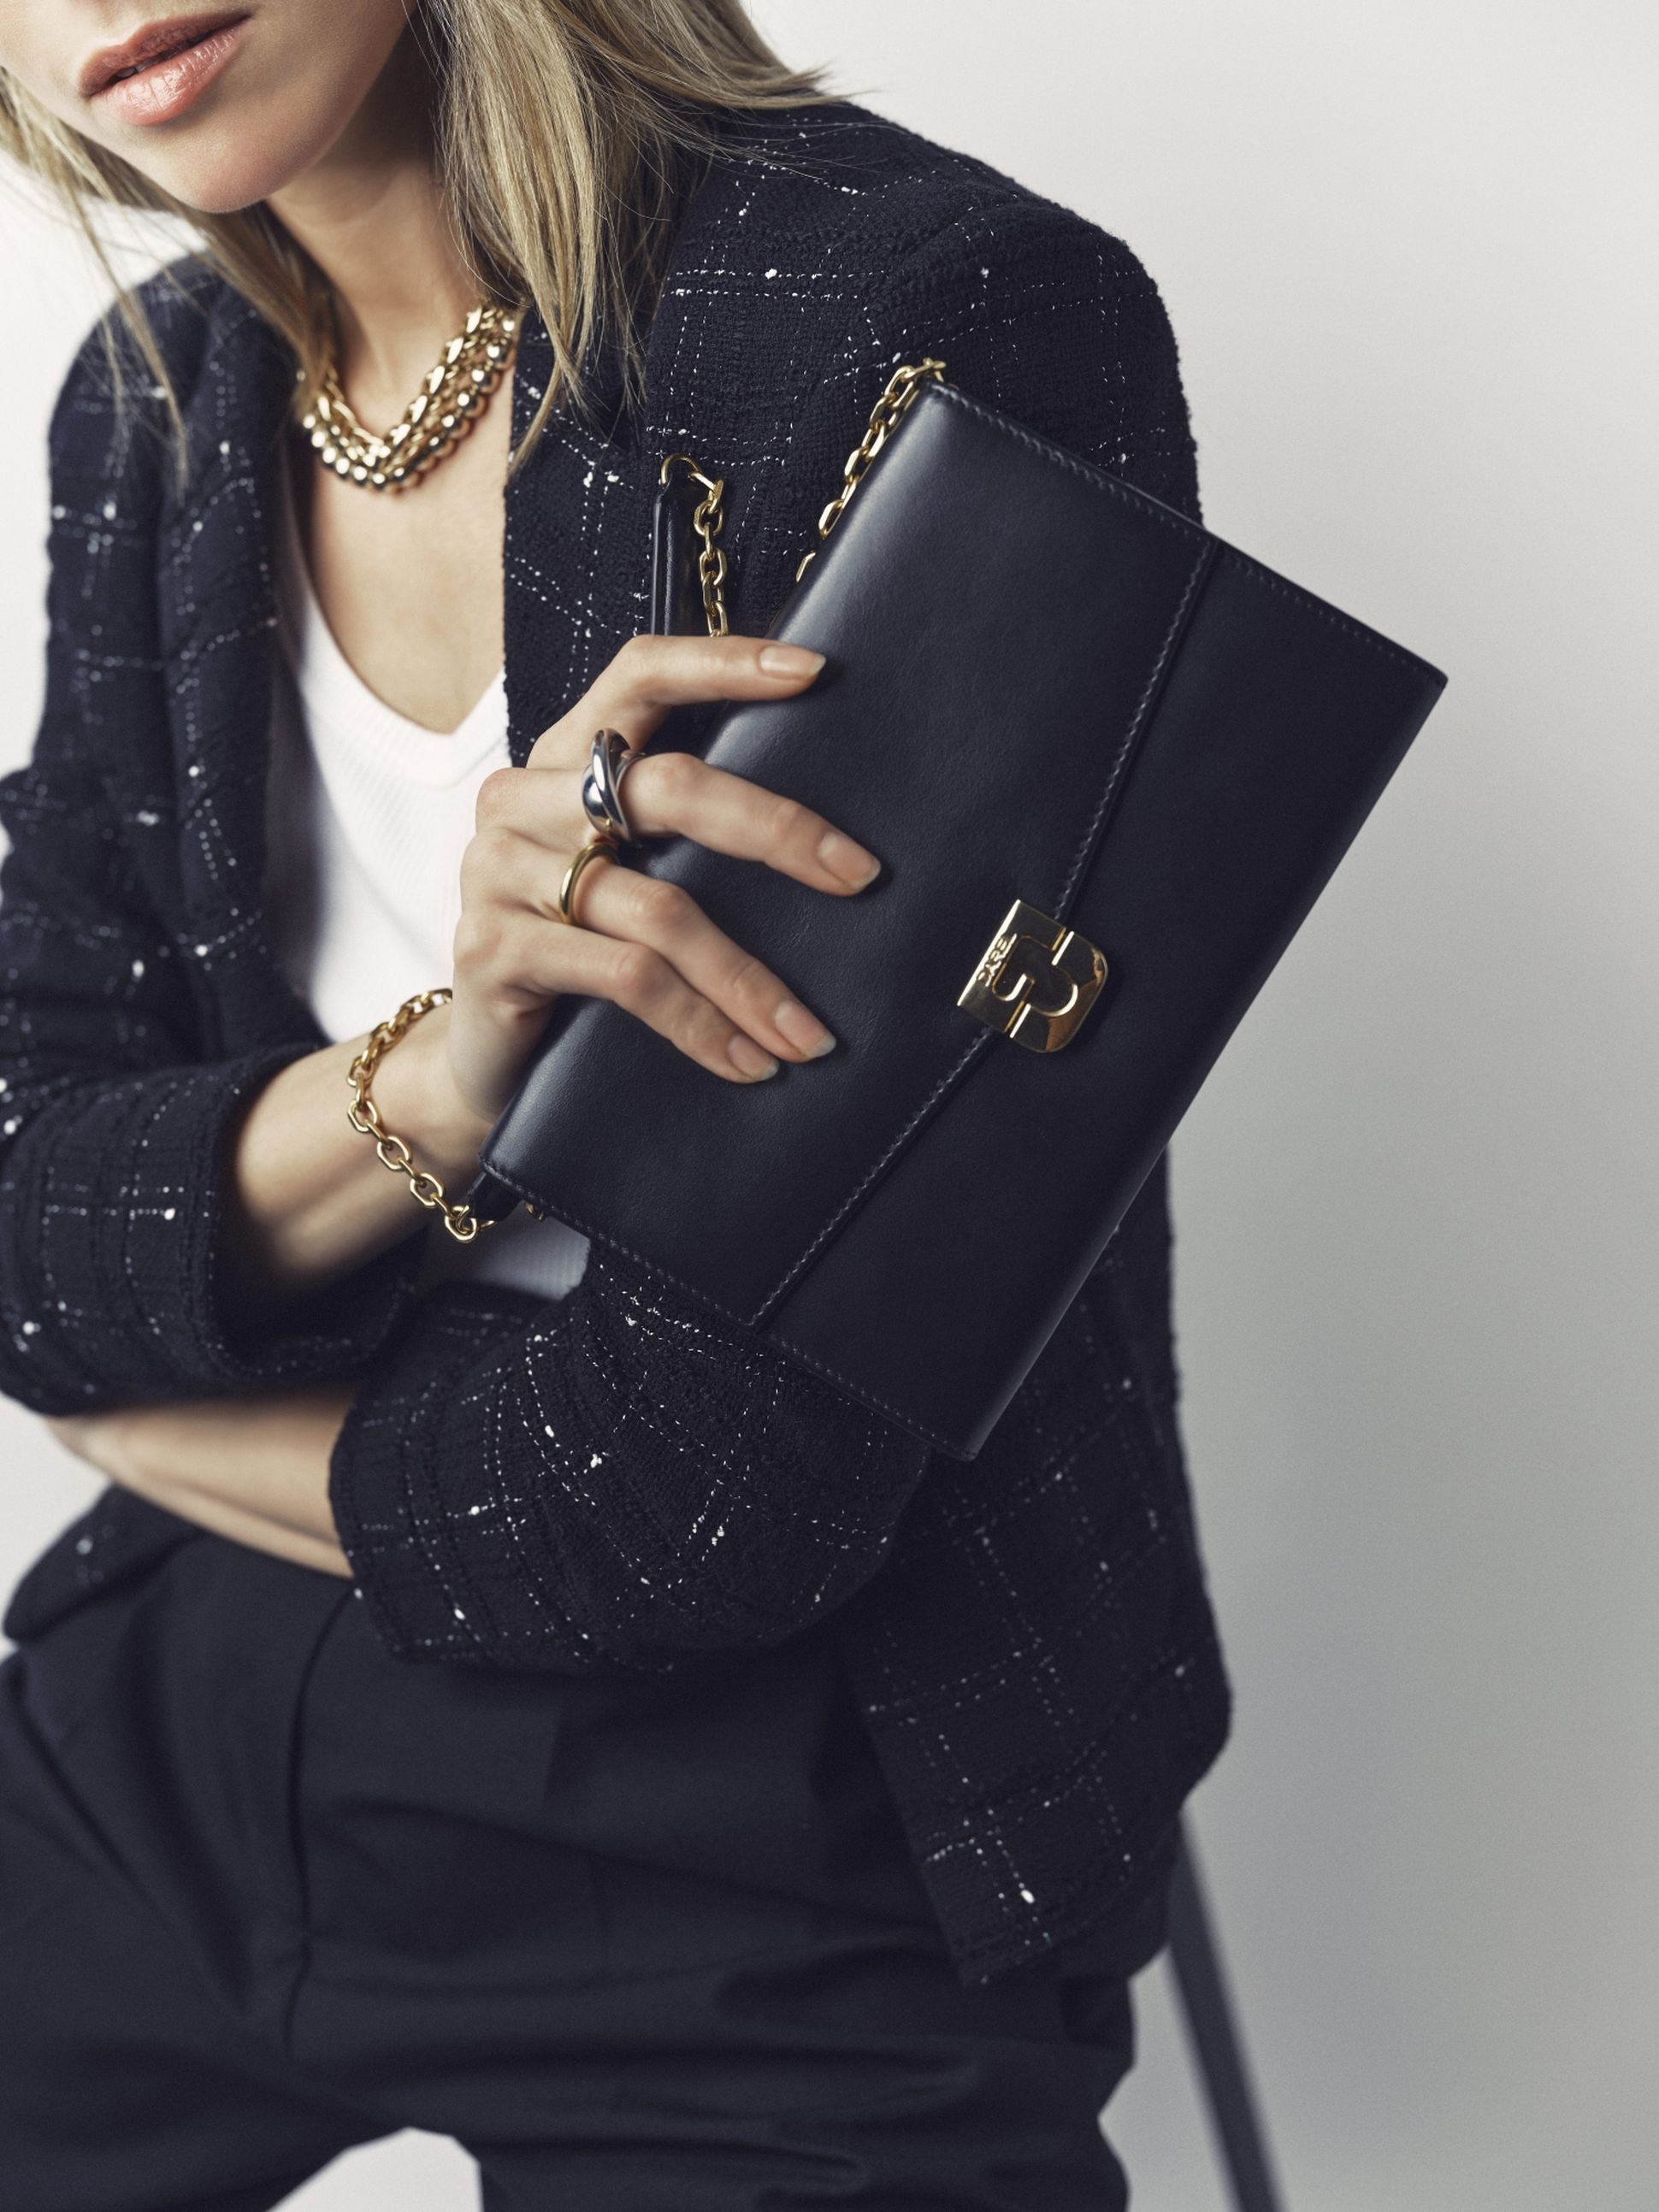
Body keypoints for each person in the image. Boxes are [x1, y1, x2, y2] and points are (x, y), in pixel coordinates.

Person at [0, 3, 1231, 2204]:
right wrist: (449, 1076)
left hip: (787, 1826)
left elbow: (690, 1498)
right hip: (182, 1728)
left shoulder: (921, 316)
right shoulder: (160, 399)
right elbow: (17, 1180)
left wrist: (132, 1411)